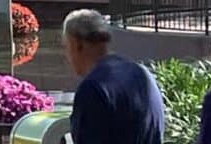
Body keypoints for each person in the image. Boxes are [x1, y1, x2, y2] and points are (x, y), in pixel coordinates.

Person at [63, 8, 165, 144]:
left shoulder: (93, 88)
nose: (67, 56)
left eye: (66, 46)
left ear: (76, 44)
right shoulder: (142, 74)